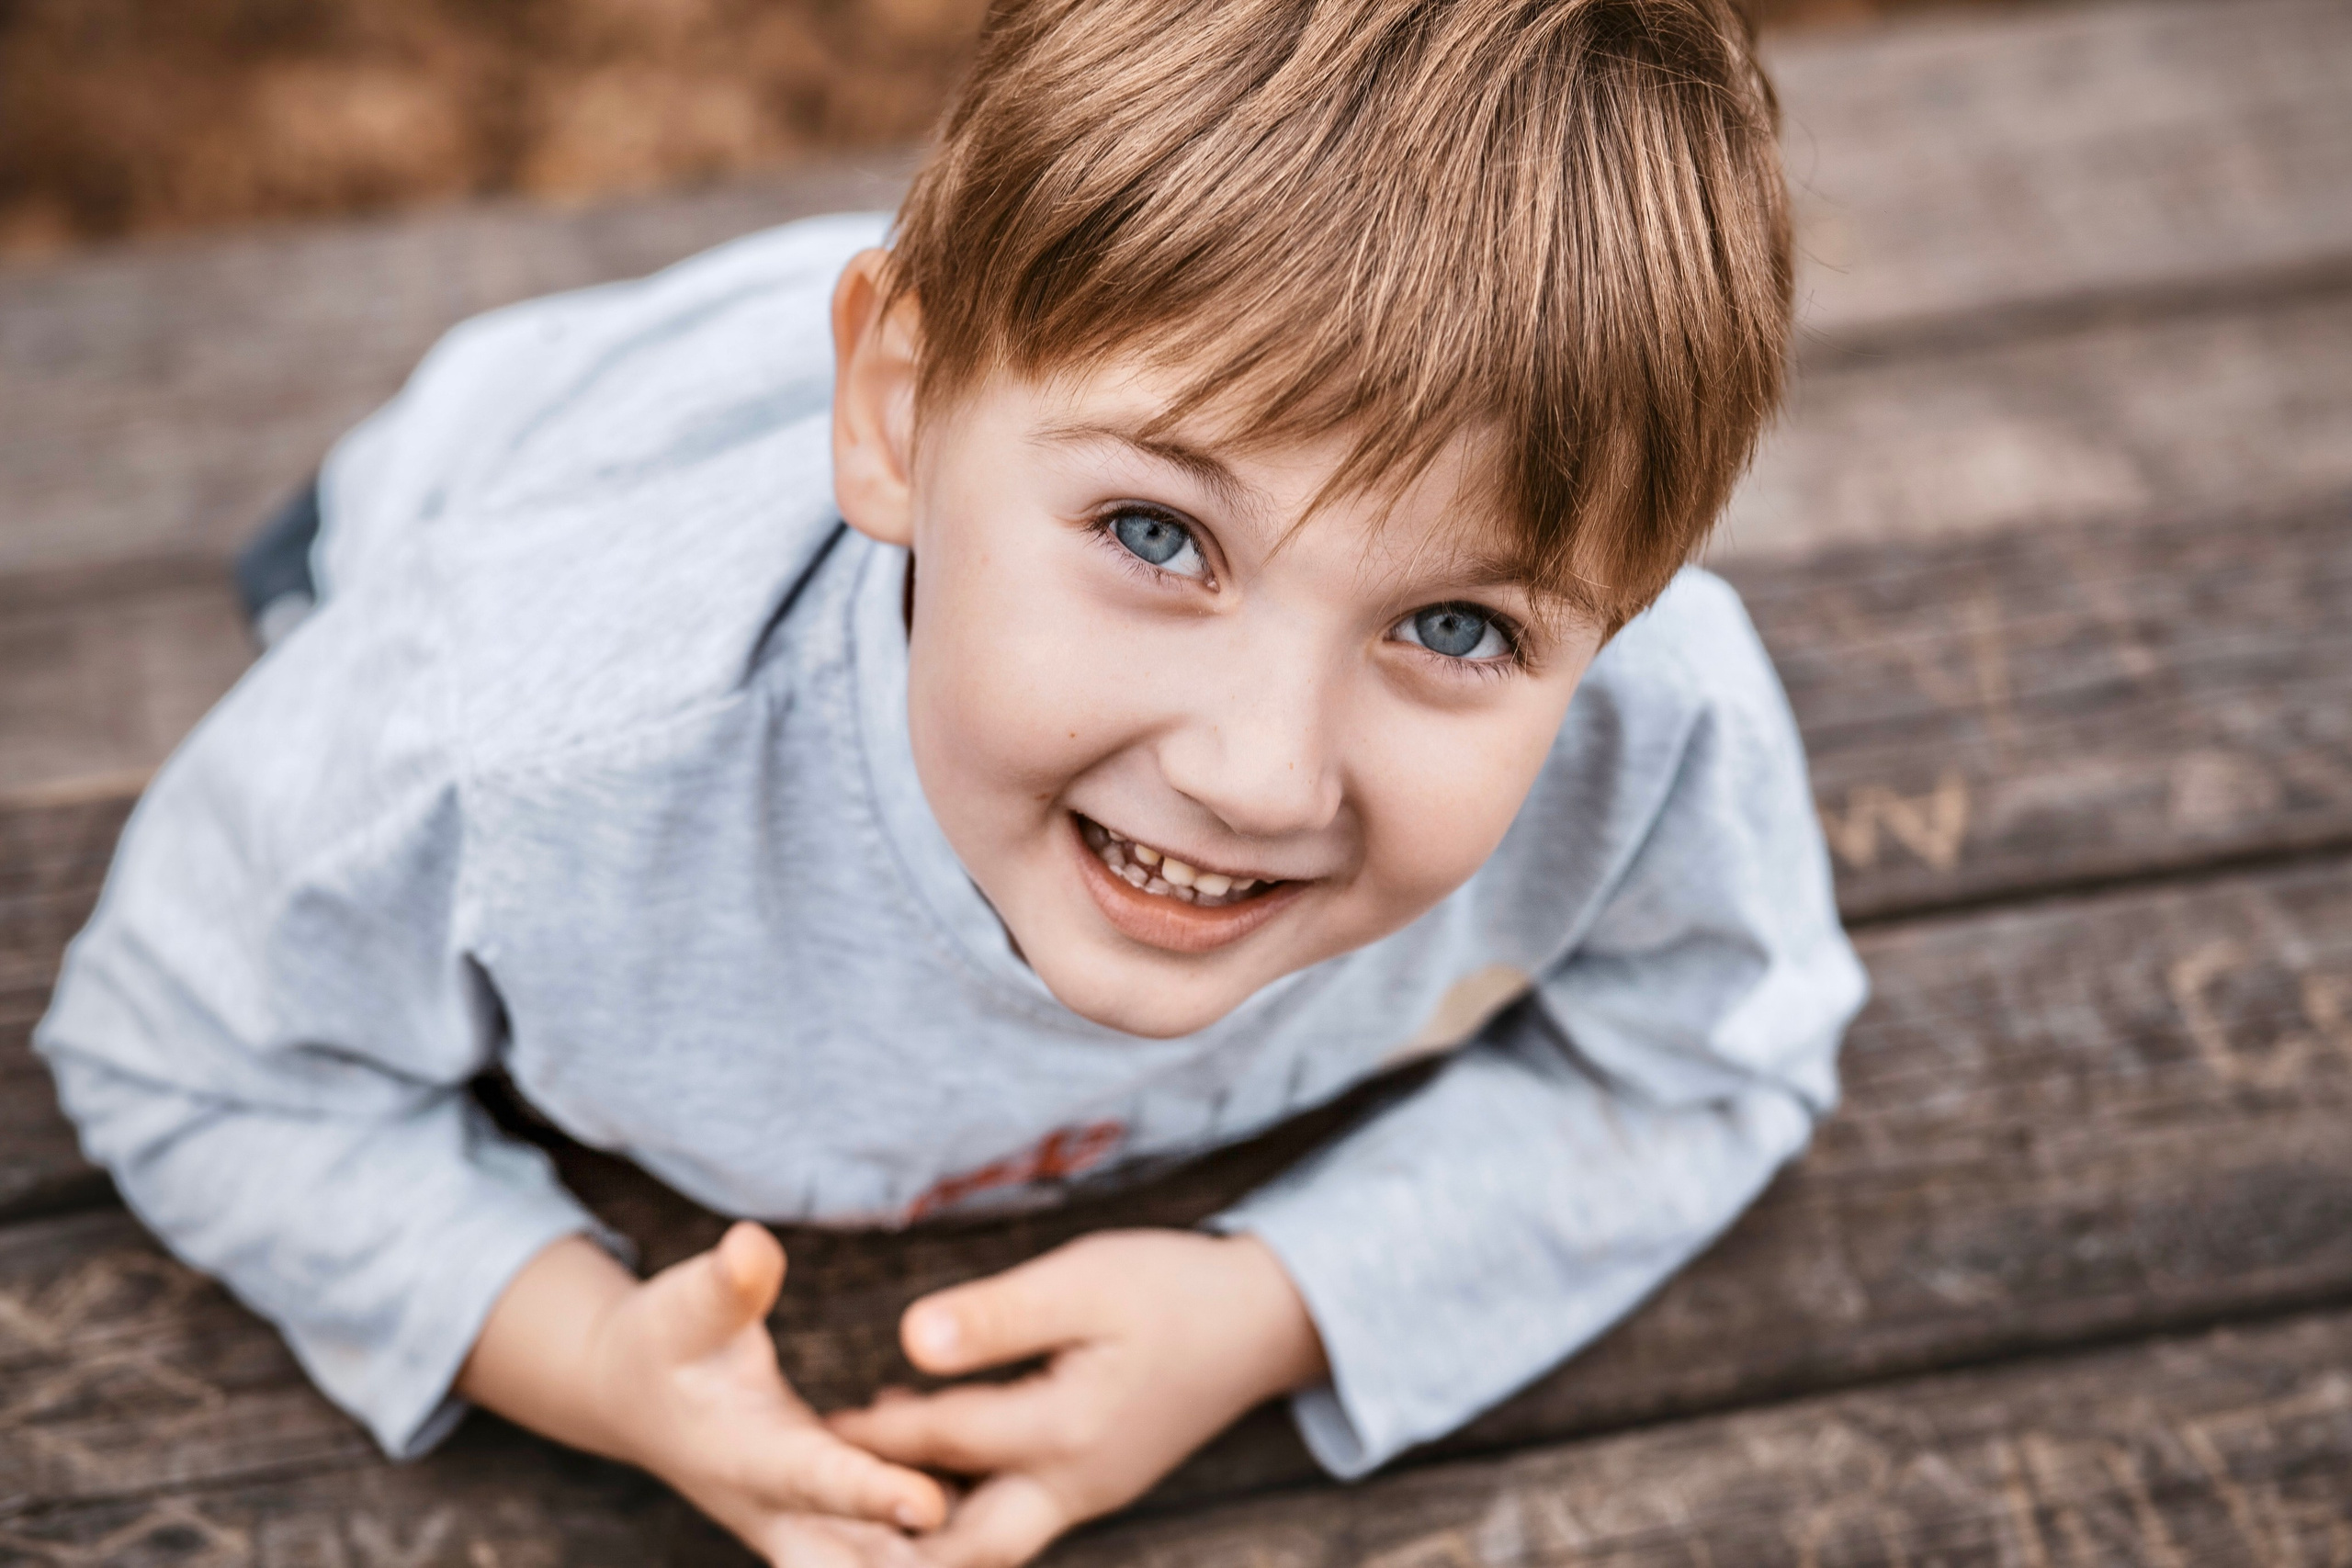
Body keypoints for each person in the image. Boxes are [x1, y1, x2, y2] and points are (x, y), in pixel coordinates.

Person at [36, 0, 1868, 1562]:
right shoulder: (516, 739)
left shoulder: (1655, 713)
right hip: (512, 468)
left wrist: (1276, 1308)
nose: (1250, 770)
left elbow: (1722, 1037)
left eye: (1458, 629)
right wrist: (580, 1352)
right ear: (894, 422)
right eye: (1155, 532)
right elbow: (173, 1032)